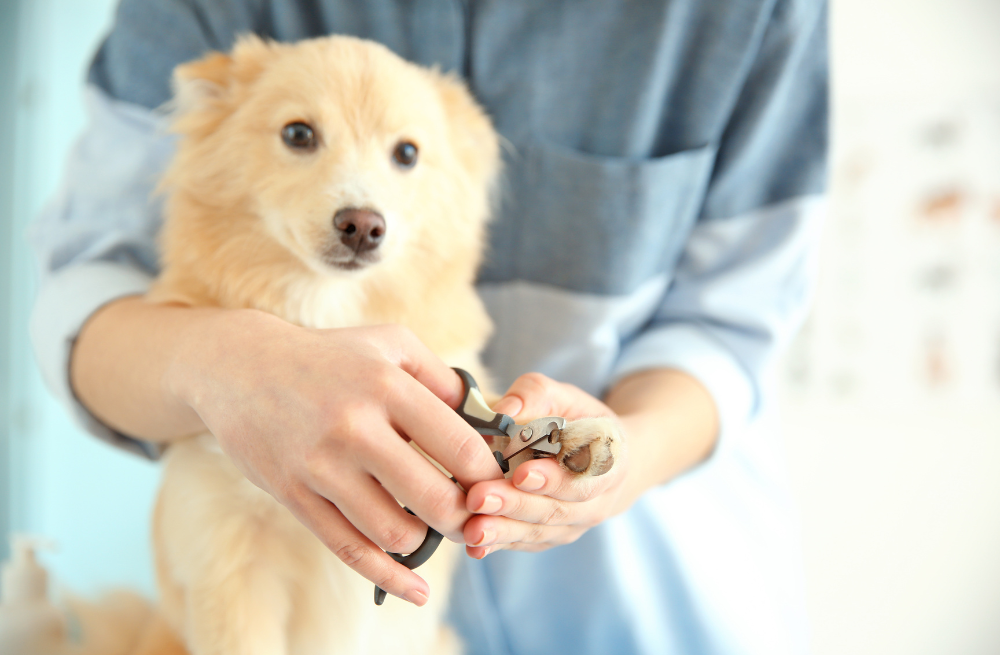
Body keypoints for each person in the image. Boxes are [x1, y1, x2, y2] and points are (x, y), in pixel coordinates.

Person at [29, 1, 828, 653]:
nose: (361, 205)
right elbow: (84, 284)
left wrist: (628, 450)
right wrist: (216, 363)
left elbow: (730, 321)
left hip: (654, 608)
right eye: (301, 136)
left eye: (406, 153)